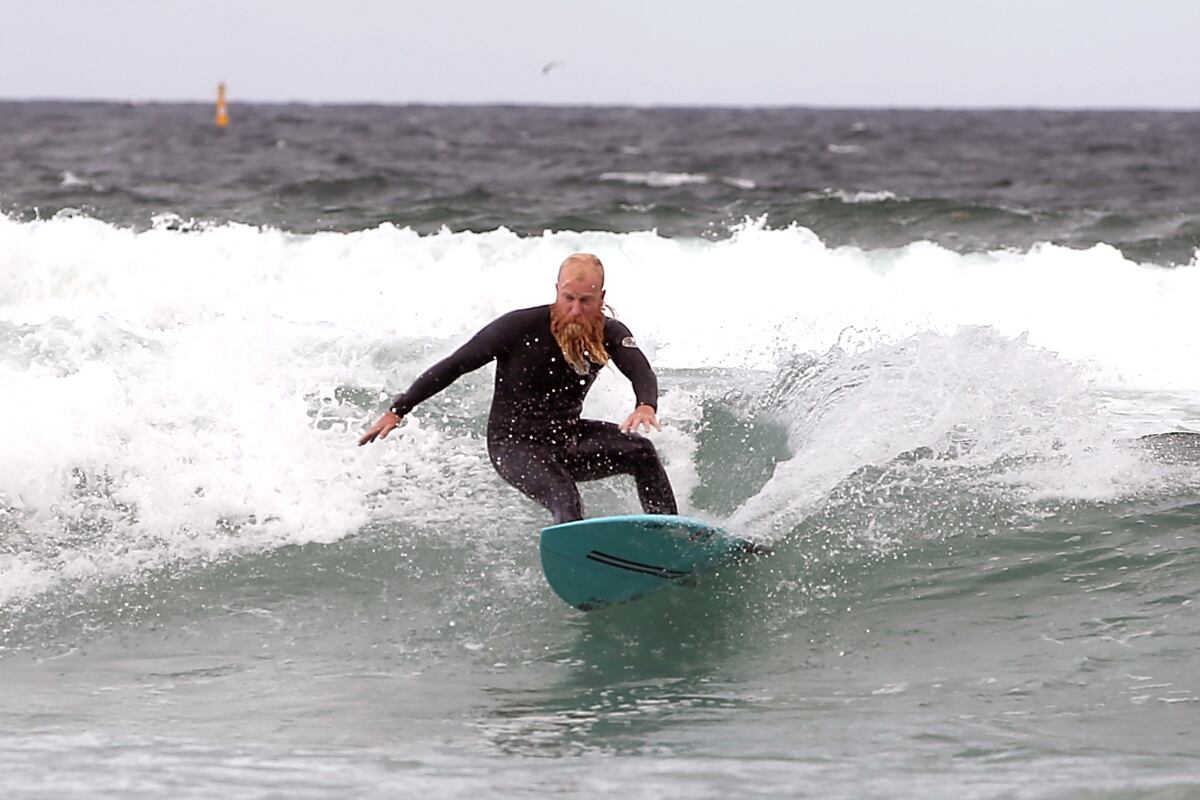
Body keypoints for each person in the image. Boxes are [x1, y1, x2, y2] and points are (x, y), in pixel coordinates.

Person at [358, 253, 678, 525]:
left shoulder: (610, 332)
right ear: (556, 291)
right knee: (564, 496)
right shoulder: (518, 328)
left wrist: (645, 405)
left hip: (567, 437)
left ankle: (668, 535)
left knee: (642, 453)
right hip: (513, 445)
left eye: (586, 301)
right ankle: (579, 565)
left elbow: (640, 370)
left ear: (601, 298)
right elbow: (455, 364)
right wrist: (398, 409)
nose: (576, 310)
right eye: (568, 298)